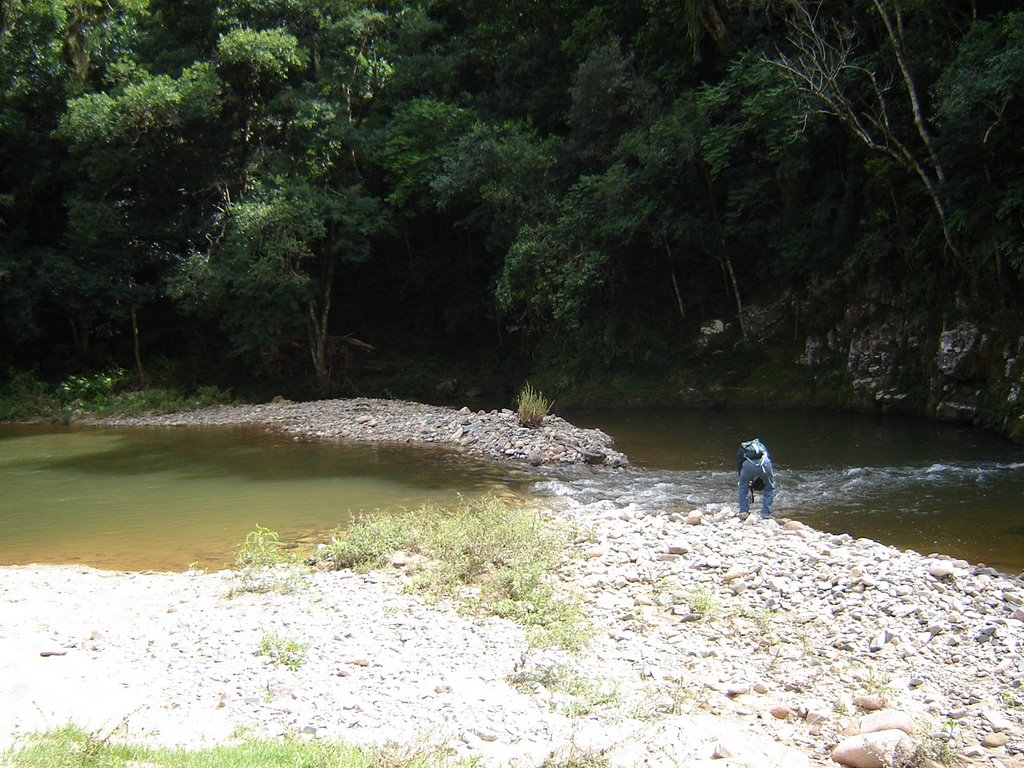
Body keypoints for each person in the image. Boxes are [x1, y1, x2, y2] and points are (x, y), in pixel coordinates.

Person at [737, 438, 775, 518]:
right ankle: (766, 513)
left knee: (743, 487)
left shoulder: (743, 449)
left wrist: (746, 479)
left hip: (748, 465)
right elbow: (768, 459)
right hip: (765, 464)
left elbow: (740, 465)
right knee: (769, 488)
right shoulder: (762, 447)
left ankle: (744, 511)